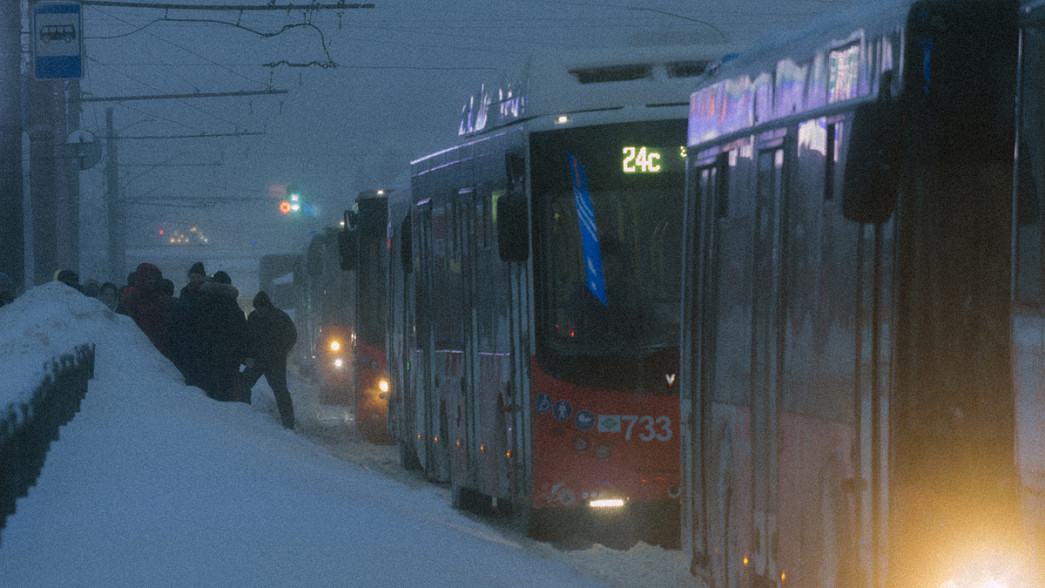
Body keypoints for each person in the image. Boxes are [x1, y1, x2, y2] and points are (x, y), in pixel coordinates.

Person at [242, 290, 297, 429]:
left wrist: (281, 351)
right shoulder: (263, 317)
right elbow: (248, 338)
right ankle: (244, 414)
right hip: (263, 360)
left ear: (266, 306)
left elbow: (291, 336)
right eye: (257, 308)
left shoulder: (278, 318)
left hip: (273, 361)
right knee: (244, 384)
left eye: (261, 308)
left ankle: (289, 424)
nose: (259, 311)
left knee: (280, 392)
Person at [195, 270, 247, 402]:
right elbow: (242, 335)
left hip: (206, 357)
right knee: (227, 393)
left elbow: (198, 330)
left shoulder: (202, 303)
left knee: (208, 394)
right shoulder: (234, 309)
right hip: (230, 359)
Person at [116, 262, 168, 355]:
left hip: (159, 351)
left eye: (153, 278)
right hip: (136, 351)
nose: (151, 281)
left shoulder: (163, 302)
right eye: (148, 278)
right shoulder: (128, 303)